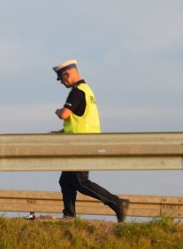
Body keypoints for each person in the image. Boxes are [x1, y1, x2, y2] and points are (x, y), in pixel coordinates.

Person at [51, 60, 129, 222]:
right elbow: (80, 120)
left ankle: (117, 203)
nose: (62, 82)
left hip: (81, 145)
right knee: (66, 181)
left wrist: (58, 111)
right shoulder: (88, 91)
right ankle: (69, 216)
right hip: (82, 143)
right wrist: (61, 132)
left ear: (68, 73)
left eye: (62, 78)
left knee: (80, 181)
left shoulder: (77, 91)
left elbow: (65, 114)